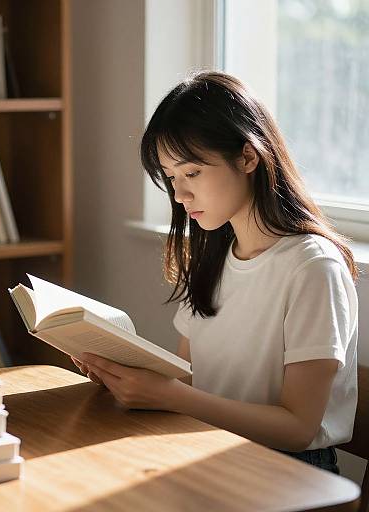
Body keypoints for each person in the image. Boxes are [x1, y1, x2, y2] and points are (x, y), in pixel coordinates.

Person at [71, 71, 358, 474]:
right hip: (208, 446)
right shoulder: (213, 253)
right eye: (171, 177)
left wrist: (171, 397)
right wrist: (125, 377)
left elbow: (297, 428)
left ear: (248, 157)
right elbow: (190, 382)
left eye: (192, 173)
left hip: (290, 471)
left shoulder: (313, 267)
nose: (179, 194)